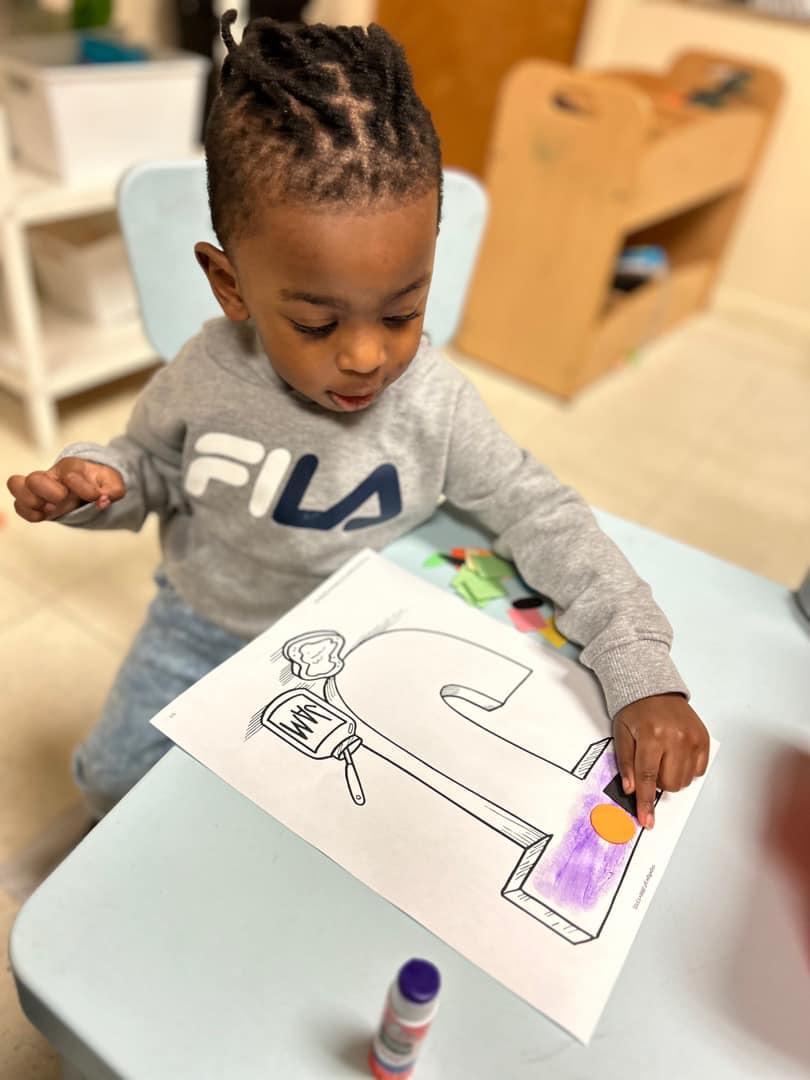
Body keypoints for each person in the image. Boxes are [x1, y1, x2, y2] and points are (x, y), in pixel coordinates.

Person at [5, 12, 709, 821]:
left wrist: (640, 665)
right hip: (196, 624)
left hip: (359, 635)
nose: (368, 357)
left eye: (402, 311)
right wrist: (99, 483)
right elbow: (151, 469)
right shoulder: (206, 372)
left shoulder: (434, 404)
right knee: (109, 782)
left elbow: (540, 511)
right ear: (231, 286)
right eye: (317, 323)